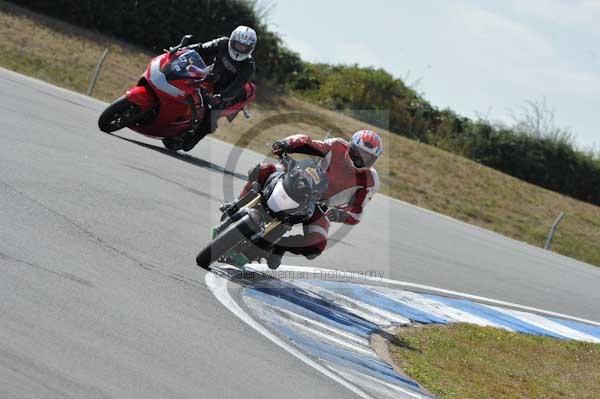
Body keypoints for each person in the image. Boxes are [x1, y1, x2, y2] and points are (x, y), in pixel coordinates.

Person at [234, 130, 383, 269]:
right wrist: (287, 144)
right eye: (359, 154)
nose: (361, 161)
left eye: (368, 158)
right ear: (351, 147)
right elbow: (308, 143)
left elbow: (357, 212)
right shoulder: (337, 145)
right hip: (302, 180)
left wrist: (339, 214)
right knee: (261, 169)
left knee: (317, 245)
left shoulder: (371, 180)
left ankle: (276, 247)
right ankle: (236, 205)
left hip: (319, 205)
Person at [183, 25, 257, 150]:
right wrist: (184, 49)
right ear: (232, 40)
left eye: (244, 47)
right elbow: (201, 48)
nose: (240, 49)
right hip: (212, 76)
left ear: (250, 48)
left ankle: (192, 139)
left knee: (211, 116)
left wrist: (221, 97)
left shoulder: (248, 66)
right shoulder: (223, 42)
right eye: (238, 44)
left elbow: (236, 86)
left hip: (226, 91)